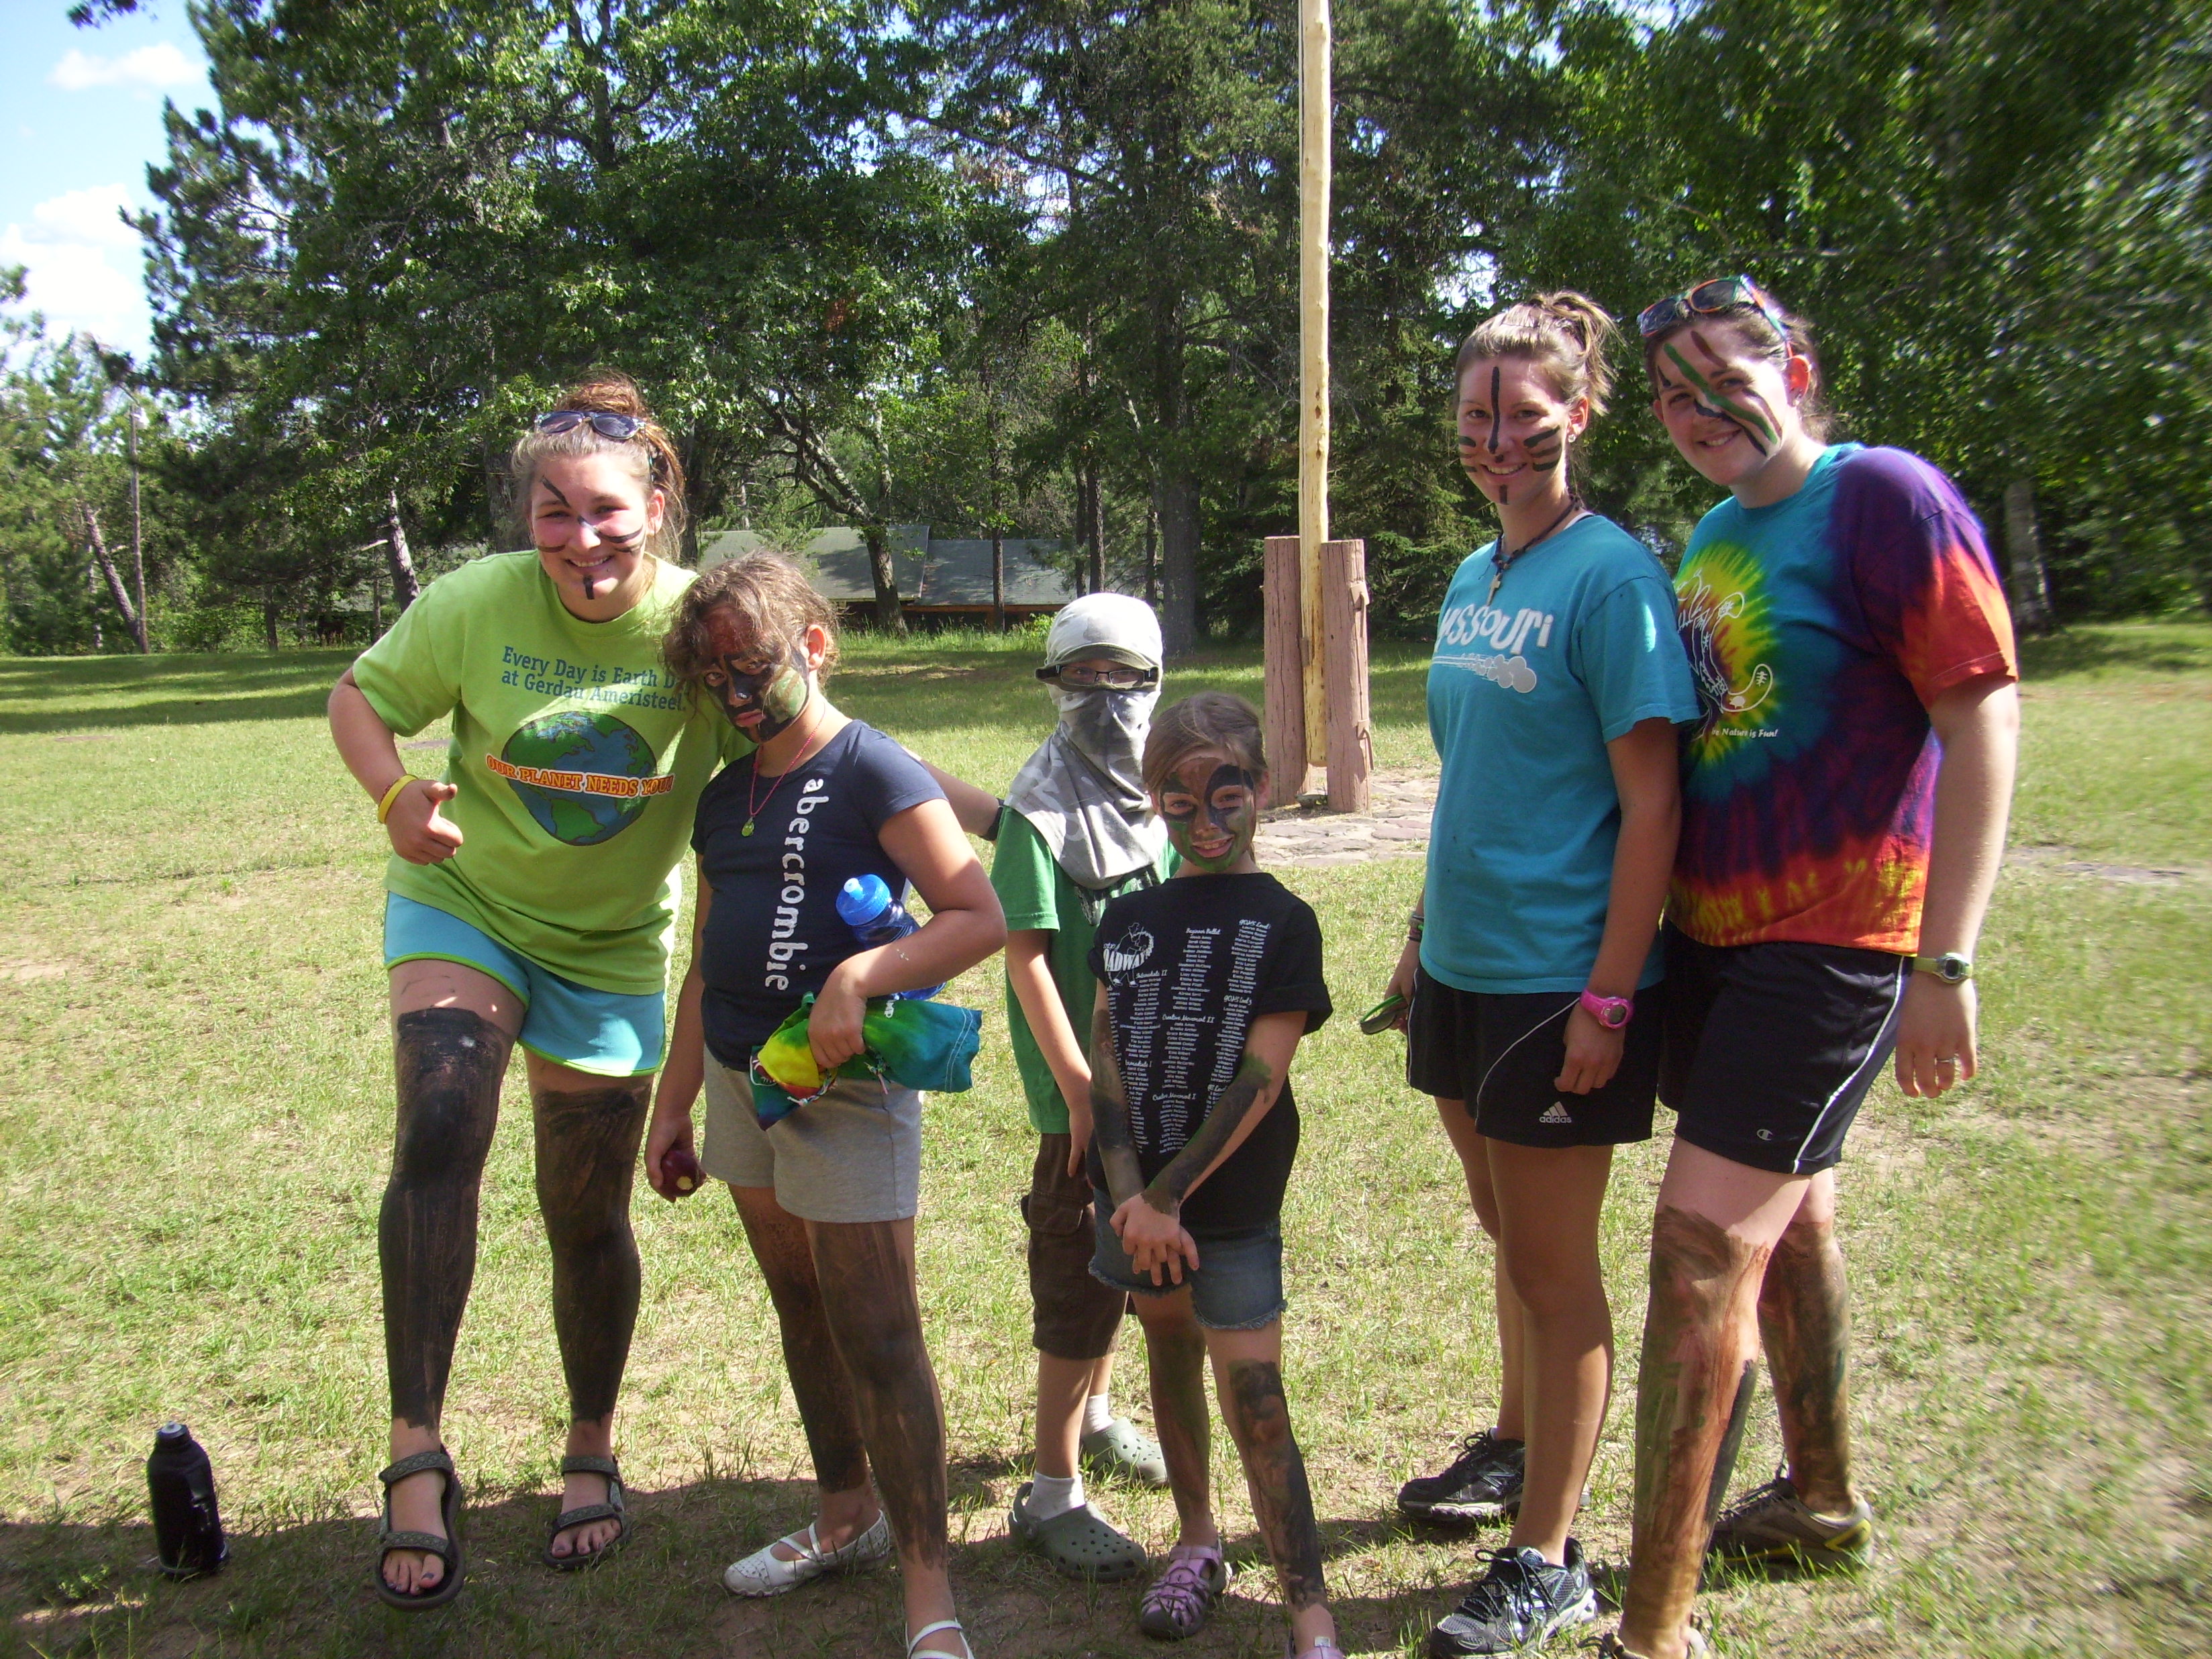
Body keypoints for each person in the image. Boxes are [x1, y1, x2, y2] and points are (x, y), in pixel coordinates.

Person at [1605, 276, 2019, 1659]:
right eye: (1671, 395)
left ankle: (1652, 1631)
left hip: (1832, 943)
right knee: (1789, 1224)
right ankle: (1821, 1497)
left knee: (1697, 1259)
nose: (1697, 411)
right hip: (1713, 941)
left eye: (1724, 376)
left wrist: (1944, 959)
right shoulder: (1715, 531)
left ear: (1794, 367)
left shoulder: (1886, 496)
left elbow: (1980, 713)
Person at [328, 374, 751, 1607]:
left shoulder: (700, 627)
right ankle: (416, 1455)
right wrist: (394, 797)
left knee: (585, 1208)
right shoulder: (476, 602)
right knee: (440, 1120)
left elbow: (794, 748)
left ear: (658, 507)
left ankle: (590, 1444)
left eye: (606, 510)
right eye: (553, 512)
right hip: (465, 906)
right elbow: (360, 699)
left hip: (610, 948)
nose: (581, 539)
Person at [1376, 293, 1700, 1656]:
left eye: (1523, 414)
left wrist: (1610, 998)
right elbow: (1477, 777)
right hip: (1462, 965)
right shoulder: (1475, 574)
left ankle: (1548, 1560)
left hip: (1560, 977)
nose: (1497, 439)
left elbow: (1654, 807)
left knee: (1557, 1273)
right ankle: (1515, 1446)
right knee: (1506, 1232)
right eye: (1476, 416)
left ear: (1579, 414)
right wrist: (1418, 931)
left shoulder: (1610, 577)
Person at [644, 552, 1005, 1659]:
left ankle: (930, 1595)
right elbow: (707, 962)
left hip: (844, 1092)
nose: (736, 694)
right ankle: (846, 1512)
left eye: (751, 665)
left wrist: (861, 976)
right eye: (714, 678)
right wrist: (672, 1103)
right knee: (802, 1306)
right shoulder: (724, 796)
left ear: (814, 643)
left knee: (880, 1331)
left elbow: (976, 914)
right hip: (740, 1084)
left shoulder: (873, 767)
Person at [1086, 692, 1344, 1658]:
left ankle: (1309, 1612)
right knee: (1167, 1347)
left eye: (1226, 797)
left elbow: (1260, 1079)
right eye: (1179, 801)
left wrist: (1167, 1198)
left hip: (1223, 1208)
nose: (1203, 821)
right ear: (1153, 798)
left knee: (1258, 1401)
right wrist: (1128, 1199)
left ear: (1261, 790)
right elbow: (1107, 1066)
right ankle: (1196, 1541)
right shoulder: (1127, 918)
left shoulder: (1285, 921)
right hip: (1134, 1209)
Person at [991, 593, 1175, 1581]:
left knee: (1125, 1274)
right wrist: (1074, 1091)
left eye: (1124, 675)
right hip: (1082, 1113)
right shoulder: (1037, 808)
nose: (1104, 694)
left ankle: (1099, 1417)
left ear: (1155, 682)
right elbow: (1025, 954)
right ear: (1054, 683)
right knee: (1076, 1284)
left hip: (1156, 1097)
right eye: (1082, 675)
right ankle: (1051, 1489)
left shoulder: (1165, 799)